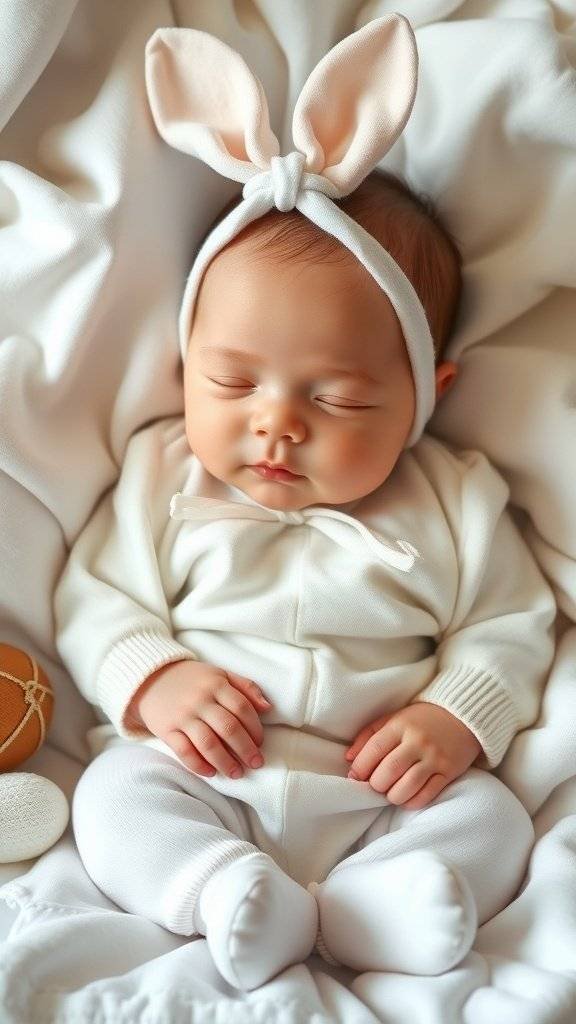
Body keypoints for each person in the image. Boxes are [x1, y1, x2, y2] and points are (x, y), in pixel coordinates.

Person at [54, 17, 556, 992]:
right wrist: (151, 679)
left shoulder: (454, 497)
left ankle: (389, 902)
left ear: (427, 394)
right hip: (204, 776)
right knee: (111, 795)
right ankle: (217, 887)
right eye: (234, 385)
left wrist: (457, 717)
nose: (276, 425)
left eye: (337, 399)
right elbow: (95, 597)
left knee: (494, 817)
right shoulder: (163, 474)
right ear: (182, 369)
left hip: (378, 793)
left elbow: (511, 621)